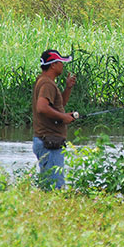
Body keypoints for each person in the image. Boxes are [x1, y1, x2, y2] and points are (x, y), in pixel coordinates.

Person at [32, 49, 79, 189]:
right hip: (49, 143)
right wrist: (64, 117)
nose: (63, 66)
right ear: (53, 65)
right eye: (61, 62)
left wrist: (68, 88)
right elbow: (42, 107)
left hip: (48, 141)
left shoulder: (45, 81)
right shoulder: (47, 84)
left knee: (48, 185)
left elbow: (58, 106)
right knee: (55, 188)